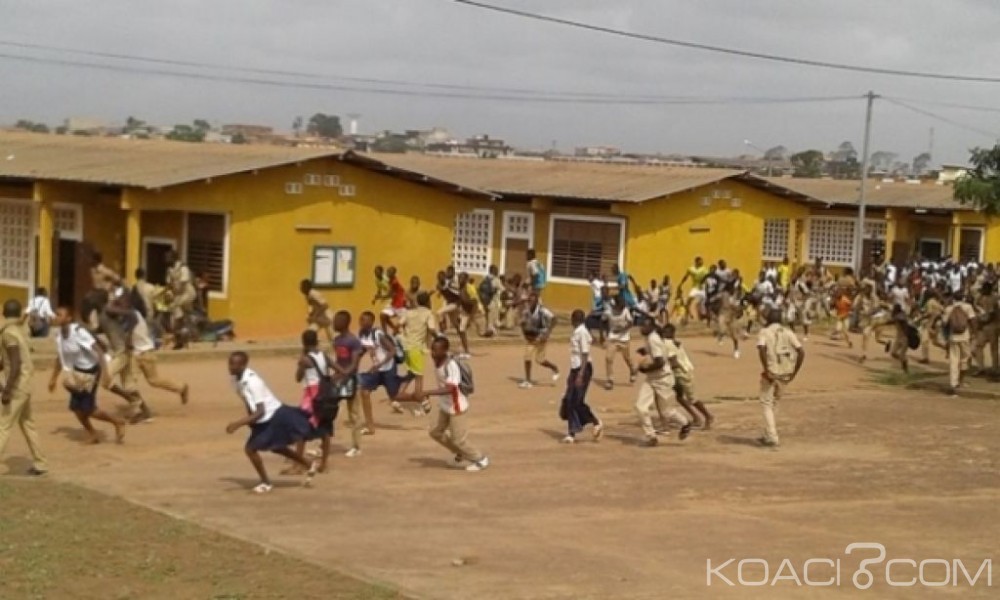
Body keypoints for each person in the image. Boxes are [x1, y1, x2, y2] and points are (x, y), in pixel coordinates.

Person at [225, 351, 317, 494]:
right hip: (261, 418)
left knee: (250, 449)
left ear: (243, 365)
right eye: (229, 363)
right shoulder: (235, 380)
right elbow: (248, 401)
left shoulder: (253, 382)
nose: (230, 366)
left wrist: (238, 424)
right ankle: (308, 463)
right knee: (277, 447)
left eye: (234, 364)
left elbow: (261, 411)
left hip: (273, 416)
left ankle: (266, 483)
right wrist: (250, 420)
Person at [47, 306, 126, 444]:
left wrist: (106, 373)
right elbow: (59, 358)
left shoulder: (78, 332)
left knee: (88, 409)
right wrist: (53, 378)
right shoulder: (59, 336)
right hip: (78, 372)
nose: (56, 317)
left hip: (91, 371)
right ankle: (93, 433)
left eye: (60, 315)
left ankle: (117, 421)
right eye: (56, 314)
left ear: (69, 318)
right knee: (77, 409)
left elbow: (99, 351)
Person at [419, 336, 489, 472]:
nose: (433, 353)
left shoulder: (451, 365)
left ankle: (480, 459)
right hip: (445, 405)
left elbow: (451, 388)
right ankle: (460, 453)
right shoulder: (438, 362)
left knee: (459, 440)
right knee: (435, 432)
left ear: (444, 351)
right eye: (432, 349)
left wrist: (428, 392)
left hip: (456, 407)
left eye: (436, 351)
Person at [0, 299, 48, 475]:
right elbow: (11, 359)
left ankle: (41, 462)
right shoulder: (18, 331)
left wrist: (7, 390)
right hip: (26, 384)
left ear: (4, 313)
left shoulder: (8, 333)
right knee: (28, 424)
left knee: (3, 425)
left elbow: (15, 363)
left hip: (18, 385)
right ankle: (41, 463)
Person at [634, 318, 690, 447]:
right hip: (652, 379)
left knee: (667, 412)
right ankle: (651, 436)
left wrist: (644, 368)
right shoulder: (650, 337)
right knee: (640, 407)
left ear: (651, 327)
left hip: (663, 379)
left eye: (644, 326)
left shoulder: (653, 339)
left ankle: (685, 423)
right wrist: (643, 352)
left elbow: (660, 362)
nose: (641, 328)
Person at [756, 308, 805, 448]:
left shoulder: (764, 332)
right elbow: (801, 351)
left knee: (766, 404)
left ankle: (772, 436)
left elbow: (761, 349)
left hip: (771, 373)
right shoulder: (788, 332)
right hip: (785, 374)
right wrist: (794, 373)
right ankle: (768, 433)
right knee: (775, 403)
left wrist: (767, 369)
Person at [292, 330, 335, 474]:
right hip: (325, 393)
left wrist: (300, 363)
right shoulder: (324, 356)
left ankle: (298, 465)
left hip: (311, 394)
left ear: (303, 342)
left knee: (300, 427)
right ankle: (324, 464)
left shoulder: (305, 359)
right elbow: (341, 370)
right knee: (325, 430)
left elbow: (298, 378)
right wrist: (331, 382)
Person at [130, 304, 190, 405]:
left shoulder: (130, 315)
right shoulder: (135, 314)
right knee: (152, 380)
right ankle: (181, 387)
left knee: (132, 382)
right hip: (143, 352)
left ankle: (139, 408)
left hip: (141, 353)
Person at [559, 310, 603, 443]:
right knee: (569, 400)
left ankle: (594, 422)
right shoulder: (580, 331)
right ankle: (572, 432)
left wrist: (581, 374)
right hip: (575, 369)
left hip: (582, 368)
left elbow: (585, 354)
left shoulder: (582, 332)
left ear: (574, 319)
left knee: (576, 400)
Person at [661, 324, 713, 429]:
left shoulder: (668, 344)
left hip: (682, 373)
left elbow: (674, 362)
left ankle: (708, 416)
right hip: (679, 373)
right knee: (679, 397)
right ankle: (696, 417)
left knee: (692, 398)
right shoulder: (673, 342)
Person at [358, 310, 401, 436]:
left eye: (365, 320)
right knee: (364, 392)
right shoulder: (362, 334)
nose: (362, 322)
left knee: (395, 396)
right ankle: (370, 426)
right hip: (376, 370)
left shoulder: (378, 334)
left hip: (388, 368)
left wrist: (380, 364)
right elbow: (362, 351)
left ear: (371, 322)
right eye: (361, 319)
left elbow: (392, 351)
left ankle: (420, 396)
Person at [396, 291, 438, 414]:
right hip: (416, 348)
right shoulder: (428, 314)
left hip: (406, 347)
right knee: (419, 377)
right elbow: (431, 329)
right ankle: (422, 402)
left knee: (411, 374)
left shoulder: (408, 313)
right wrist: (439, 338)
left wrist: (403, 336)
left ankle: (398, 397)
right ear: (428, 302)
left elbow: (399, 324)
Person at [331, 311, 365, 457]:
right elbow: (339, 361)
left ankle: (356, 446)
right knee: (330, 411)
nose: (334, 323)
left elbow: (354, 364)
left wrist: (344, 375)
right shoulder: (337, 340)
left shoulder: (353, 341)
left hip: (352, 380)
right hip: (340, 379)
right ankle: (323, 444)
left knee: (354, 414)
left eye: (336, 321)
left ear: (344, 323)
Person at [519, 292, 560, 389]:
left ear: (537, 301)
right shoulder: (526, 311)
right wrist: (525, 334)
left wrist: (548, 332)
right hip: (531, 337)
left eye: (533, 300)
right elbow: (522, 324)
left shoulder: (543, 311)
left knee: (540, 360)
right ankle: (528, 380)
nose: (530, 302)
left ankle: (554, 368)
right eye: (529, 300)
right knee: (527, 356)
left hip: (541, 336)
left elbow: (554, 319)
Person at [943, 293, 977, 396]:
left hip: (953, 337)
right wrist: (974, 333)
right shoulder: (968, 307)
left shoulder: (948, 309)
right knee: (965, 358)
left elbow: (944, 323)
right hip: (965, 336)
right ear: (963, 298)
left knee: (954, 361)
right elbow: (973, 320)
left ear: (953, 298)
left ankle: (953, 384)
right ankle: (961, 381)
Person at [165, 250, 196, 349]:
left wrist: (174, 297)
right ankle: (180, 339)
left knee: (176, 309)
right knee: (173, 315)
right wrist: (169, 293)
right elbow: (169, 284)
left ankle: (180, 320)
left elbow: (182, 284)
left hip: (188, 293)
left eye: (168, 257)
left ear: (174, 258)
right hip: (179, 294)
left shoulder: (183, 268)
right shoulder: (170, 270)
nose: (166, 259)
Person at [603, 296, 636, 390]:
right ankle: (610, 380)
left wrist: (622, 329)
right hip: (612, 338)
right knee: (608, 358)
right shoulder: (609, 312)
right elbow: (602, 321)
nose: (621, 308)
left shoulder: (625, 311)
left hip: (624, 339)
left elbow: (630, 323)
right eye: (620, 306)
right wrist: (603, 335)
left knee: (627, 358)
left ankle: (632, 369)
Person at [972, 281, 999, 375]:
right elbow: (976, 307)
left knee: (993, 348)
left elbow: (992, 314)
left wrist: (982, 323)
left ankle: (995, 368)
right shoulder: (981, 297)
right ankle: (981, 368)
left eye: (984, 289)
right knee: (978, 346)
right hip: (984, 325)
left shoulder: (994, 297)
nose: (983, 290)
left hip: (992, 325)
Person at [300, 279, 334, 344]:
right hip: (319, 319)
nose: (300, 288)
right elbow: (312, 307)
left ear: (306, 287)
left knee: (332, 338)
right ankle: (314, 346)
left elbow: (324, 305)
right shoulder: (308, 296)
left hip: (326, 317)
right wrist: (310, 316)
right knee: (310, 332)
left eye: (301, 286)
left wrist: (315, 315)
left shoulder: (314, 293)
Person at [678, 256, 709, 324]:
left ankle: (704, 315)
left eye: (702, 261)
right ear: (696, 262)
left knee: (705, 302)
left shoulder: (704, 269)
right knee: (688, 302)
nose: (702, 262)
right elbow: (686, 276)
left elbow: (708, 277)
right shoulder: (691, 269)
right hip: (695, 288)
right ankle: (686, 317)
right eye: (700, 261)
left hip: (702, 288)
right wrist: (681, 283)